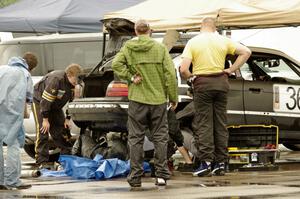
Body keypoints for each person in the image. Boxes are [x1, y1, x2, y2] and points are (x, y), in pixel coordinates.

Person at [180, 17, 251, 177]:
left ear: (201, 27)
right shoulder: (223, 40)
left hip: (202, 85)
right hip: (221, 83)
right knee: (220, 123)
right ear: (215, 28)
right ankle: (220, 163)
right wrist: (231, 69)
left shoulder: (194, 42)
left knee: (204, 124)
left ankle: (205, 163)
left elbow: (184, 69)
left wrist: (191, 77)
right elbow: (247, 52)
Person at [112, 19, 178, 187]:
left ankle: (135, 177)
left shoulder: (128, 48)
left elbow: (116, 64)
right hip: (158, 100)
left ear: (135, 32)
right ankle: (161, 175)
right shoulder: (160, 48)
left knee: (135, 138)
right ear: (150, 31)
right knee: (160, 138)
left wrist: (131, 76)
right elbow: (170, 74)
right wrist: (173, 97)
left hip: (137, 100)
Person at [33, 63, 83, 169]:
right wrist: (45, 120)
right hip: (40, 102)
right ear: (69, 75)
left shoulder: (75, 85)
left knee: (62, 130)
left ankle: (66, 158)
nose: (76, 84)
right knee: (43, 130)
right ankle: (41, 161)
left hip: (55, 105)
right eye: (74, 81)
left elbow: (72, 102)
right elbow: (45, 101)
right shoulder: (56, 80)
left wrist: (67, 118)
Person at [0, 52, 38, 190]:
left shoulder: (2, 69)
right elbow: (28, 99)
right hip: (12, 113)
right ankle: (12, 181)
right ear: (31, 68)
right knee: (13, 145)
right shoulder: (24, 74)